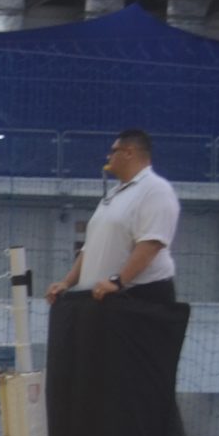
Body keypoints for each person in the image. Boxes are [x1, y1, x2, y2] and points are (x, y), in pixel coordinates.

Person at [48, 129, 180, 307]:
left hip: (137, 297)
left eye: (113, 151)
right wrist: (67, 283)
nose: (108, 156)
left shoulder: (155, 190)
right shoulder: (113, 194)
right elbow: (90, 248)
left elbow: (151, 243)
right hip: (102, 298)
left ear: (129, 153)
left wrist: (118, 282)